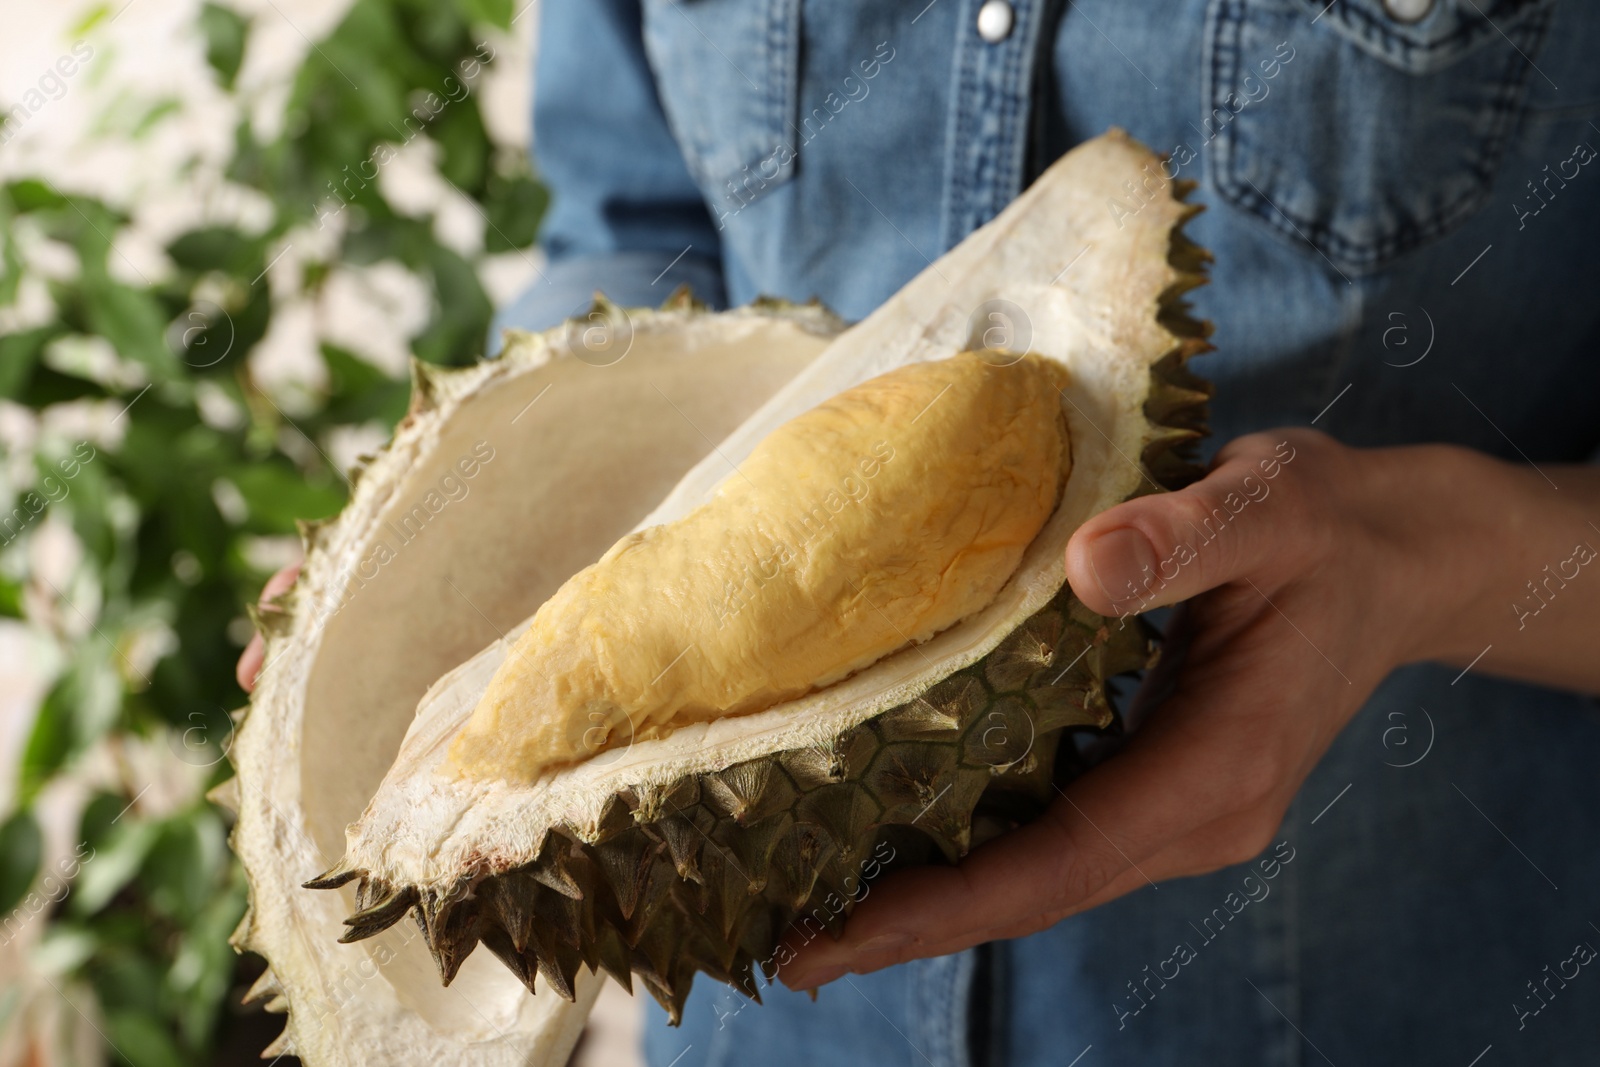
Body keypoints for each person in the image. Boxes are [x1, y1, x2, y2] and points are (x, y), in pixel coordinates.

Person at [243, 1, 1600, 1062]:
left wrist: (1416, 560)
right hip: (766, 1015)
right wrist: (467, 535)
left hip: (1380, 987)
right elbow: (638, 211)